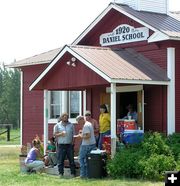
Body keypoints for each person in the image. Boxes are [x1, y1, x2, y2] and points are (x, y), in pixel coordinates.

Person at [53, 112, 76, 178]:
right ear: (61, 118)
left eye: (66, 117)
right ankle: (61, 174)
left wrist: (73, 142)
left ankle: (72, 173)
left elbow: (73, 135)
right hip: (61, 145)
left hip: (69, 145)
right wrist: (61, 134)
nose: (65, 118)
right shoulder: (57, 125)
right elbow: (54, 134)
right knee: (60, 160)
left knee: (71, 160)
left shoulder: (71, 125)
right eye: (64, 117)